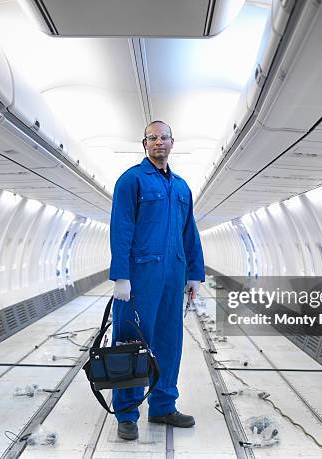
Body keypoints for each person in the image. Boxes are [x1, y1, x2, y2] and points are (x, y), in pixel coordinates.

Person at [109, 120, 205, 440]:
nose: (159, 143)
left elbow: (189, 232)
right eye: (153, 138)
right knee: (131, 344)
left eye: (164, 137)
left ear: (173, 142)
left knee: (169, 343)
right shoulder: (131, 180)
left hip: (173, 276)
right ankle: (126, 413)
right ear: (144, 143)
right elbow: (121, 230)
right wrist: (121, 276)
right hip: (139, 277)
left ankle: (163, 405)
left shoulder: (181, 187)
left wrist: (194, 274)